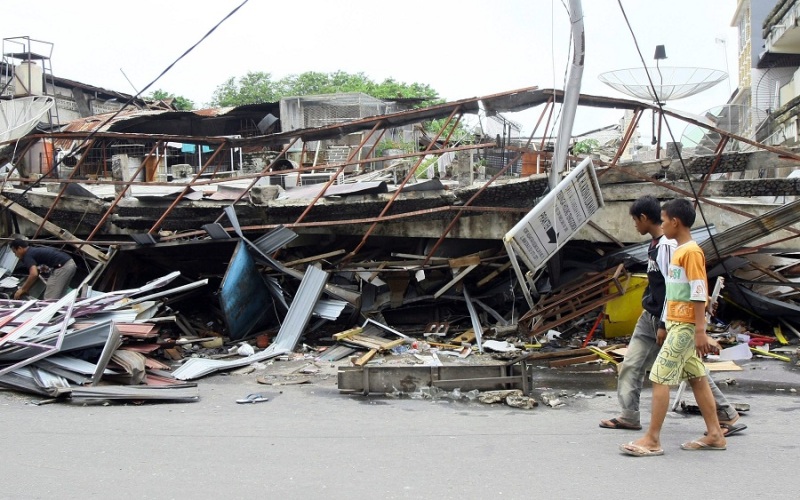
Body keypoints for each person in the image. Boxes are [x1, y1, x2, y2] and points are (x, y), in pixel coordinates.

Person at [600, 196, 744, 436]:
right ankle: (630, 416)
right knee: (640, 365)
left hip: (669, 320)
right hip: (653, 315)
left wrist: (668, 324)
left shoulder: (673, 248)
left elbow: (679, 288)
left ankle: (656, 436)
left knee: (679, 374)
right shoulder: (658, 245)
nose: (635, 225)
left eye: (636, 220)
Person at [619, 198, 727, 456]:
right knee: (697, 378)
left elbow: (699, 292)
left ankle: (652, 440)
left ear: (675, 222)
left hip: (685, 326)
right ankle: (715, 434)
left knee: (658, 376)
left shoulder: (690, 252)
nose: (662, 224)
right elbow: (674, 292)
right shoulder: (679, 250)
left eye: (665, 220)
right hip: (679, 322)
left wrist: (700, 331)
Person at [9, 239, 76, 300]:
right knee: (60, 296)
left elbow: (33, 274)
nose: (15, 255)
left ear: (20, 248)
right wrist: (26, 289)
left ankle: (48, 313)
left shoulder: (27, 256)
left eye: (15, 252)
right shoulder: (33, 251)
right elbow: (37, 273)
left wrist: (22, 289)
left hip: (62, 267)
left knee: (49, 299)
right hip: (70, 263)